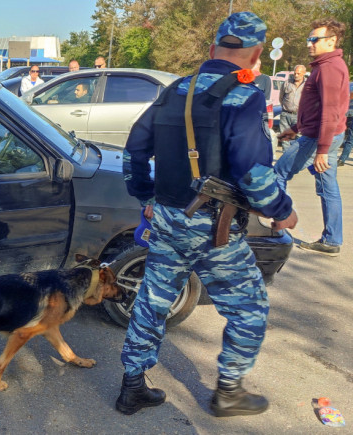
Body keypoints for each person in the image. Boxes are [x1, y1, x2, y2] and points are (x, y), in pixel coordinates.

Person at [117, 12, 297, 417]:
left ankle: (132, 386)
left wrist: (146, 193)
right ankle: (229, 391)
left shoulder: (176, 90)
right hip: (211, 225)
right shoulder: (245, 95)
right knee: (249, 307)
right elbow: (253, 172)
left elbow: (134, 150)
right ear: (257, 54)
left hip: (166, 217)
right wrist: (281, 211)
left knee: (153, 299)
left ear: (213, 48)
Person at [276, 18, 350, 257]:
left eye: (314, 39)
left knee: (278, 173)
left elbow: (330, 111)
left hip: (317, 139)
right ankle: (332, 240)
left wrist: (321, 149)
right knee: (329, 189)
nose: (309, 43)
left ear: (331, 41)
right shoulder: (326, 65)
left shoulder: (329, 69)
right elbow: (317, 109)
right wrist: (296, 127)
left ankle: (277, 227)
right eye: (309, 38)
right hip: (319, 134)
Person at [277, 65, 307, 151]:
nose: (296, 75)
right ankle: (286, 158)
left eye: (299, 73)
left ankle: (295, 157)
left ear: (304, 73)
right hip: (285, 114)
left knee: (299, 137)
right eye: (295, 73)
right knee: (285, 138)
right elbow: (281, 98)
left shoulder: (308, 84)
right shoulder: (287, 83)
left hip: (299, 115)